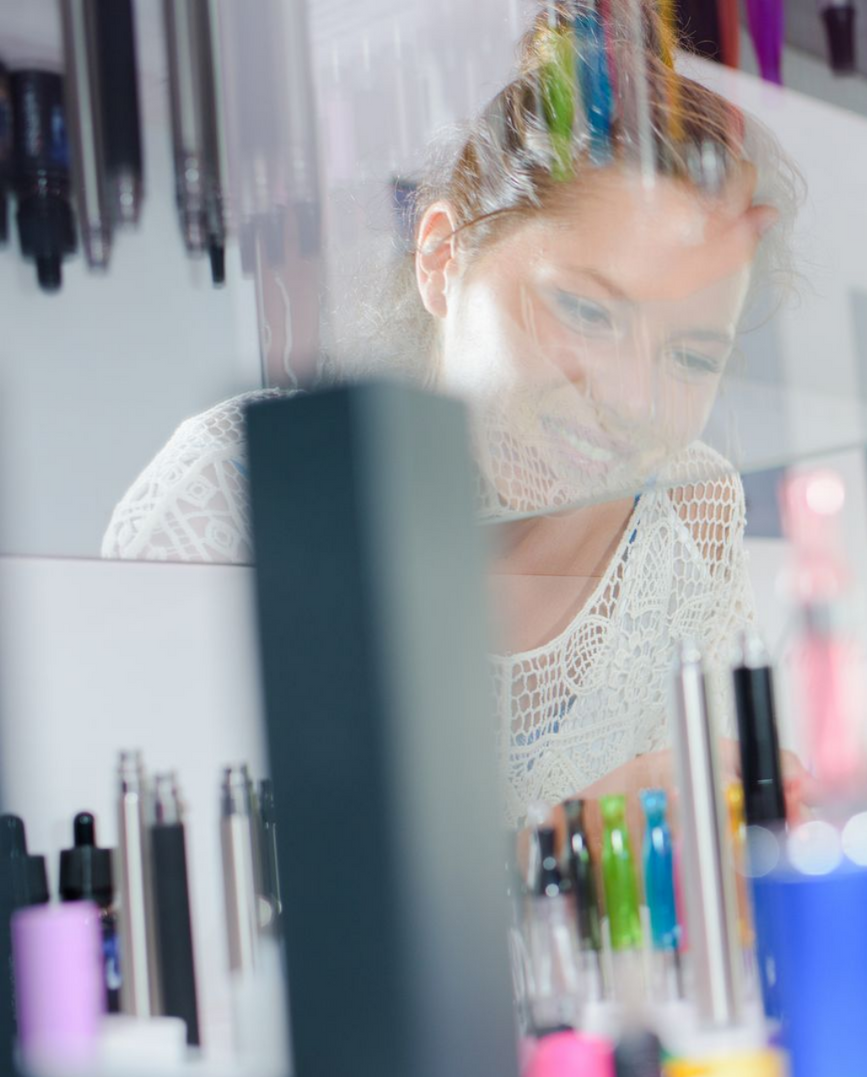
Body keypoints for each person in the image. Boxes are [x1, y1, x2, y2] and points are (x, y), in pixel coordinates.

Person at [101, 4, 802, 821]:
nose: (630, 400)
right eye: (586, 312)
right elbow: (164, 899)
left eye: (690, 357)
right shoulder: (228, 497)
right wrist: (574, 835)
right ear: (443, 256)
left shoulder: (691, 511)